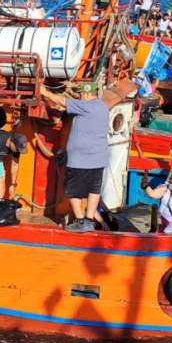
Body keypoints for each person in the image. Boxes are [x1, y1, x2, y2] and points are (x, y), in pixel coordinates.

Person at [40, 81, 110, 232]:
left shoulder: (85, 106)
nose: (79, 97)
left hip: (81, 160)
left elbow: (63, 101)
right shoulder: (102, 107)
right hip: (99, 158)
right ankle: (90, 220)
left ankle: (80, 221)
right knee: (94, 190)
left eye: (80, 94)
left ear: (85, 93)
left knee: (72, 191)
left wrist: (44, 92)